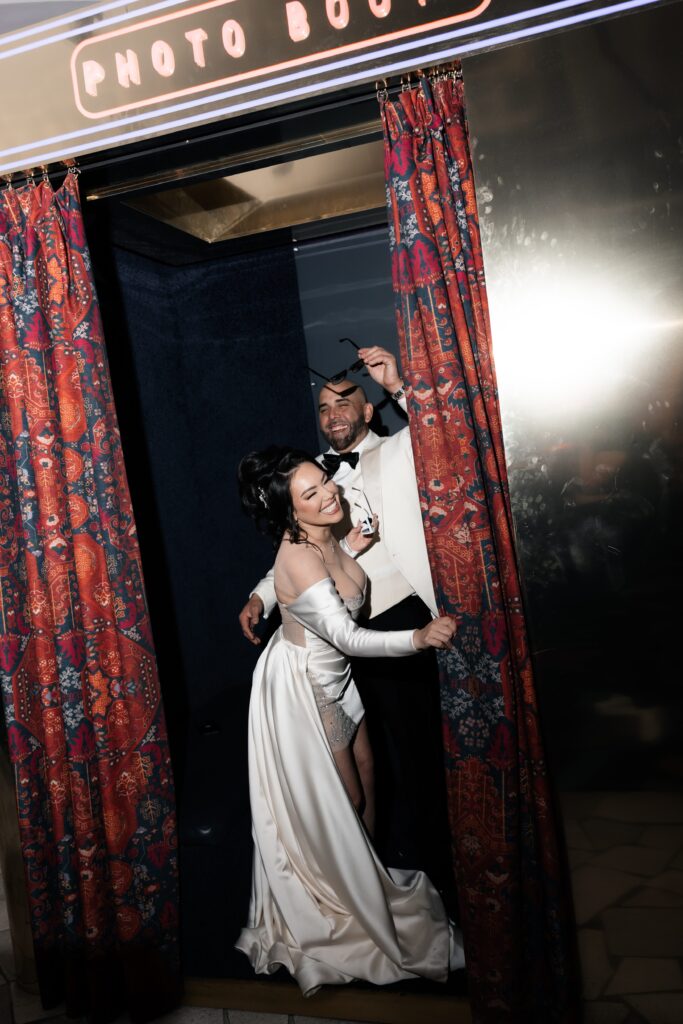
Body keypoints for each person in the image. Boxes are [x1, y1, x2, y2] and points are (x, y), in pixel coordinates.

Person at [235, 447, 465, 994]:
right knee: (347, 800)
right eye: (310, 494)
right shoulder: (300, 553)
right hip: (309, 688)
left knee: (369, 788)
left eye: (323, 482)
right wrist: (419, 637)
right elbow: (346, 636)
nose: (328, 494)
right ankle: (344, 906)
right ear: (291, 514)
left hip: (339, 680)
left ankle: (370, 885)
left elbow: (282, 573)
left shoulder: (321, 535)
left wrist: (260, 596)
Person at [238, 346, 449, 877]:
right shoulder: (309, 476)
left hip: (399, 616)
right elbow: (304, 552)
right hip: (343, 636)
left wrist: (398, 385)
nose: (333, 415)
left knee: (413, 745)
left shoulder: (400, 449)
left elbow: (440, 428)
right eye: (324, 408)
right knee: (364, 760)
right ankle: (373, 866)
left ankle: (436, 858)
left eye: (345, 403)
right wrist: (262, 594)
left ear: (368, 410)